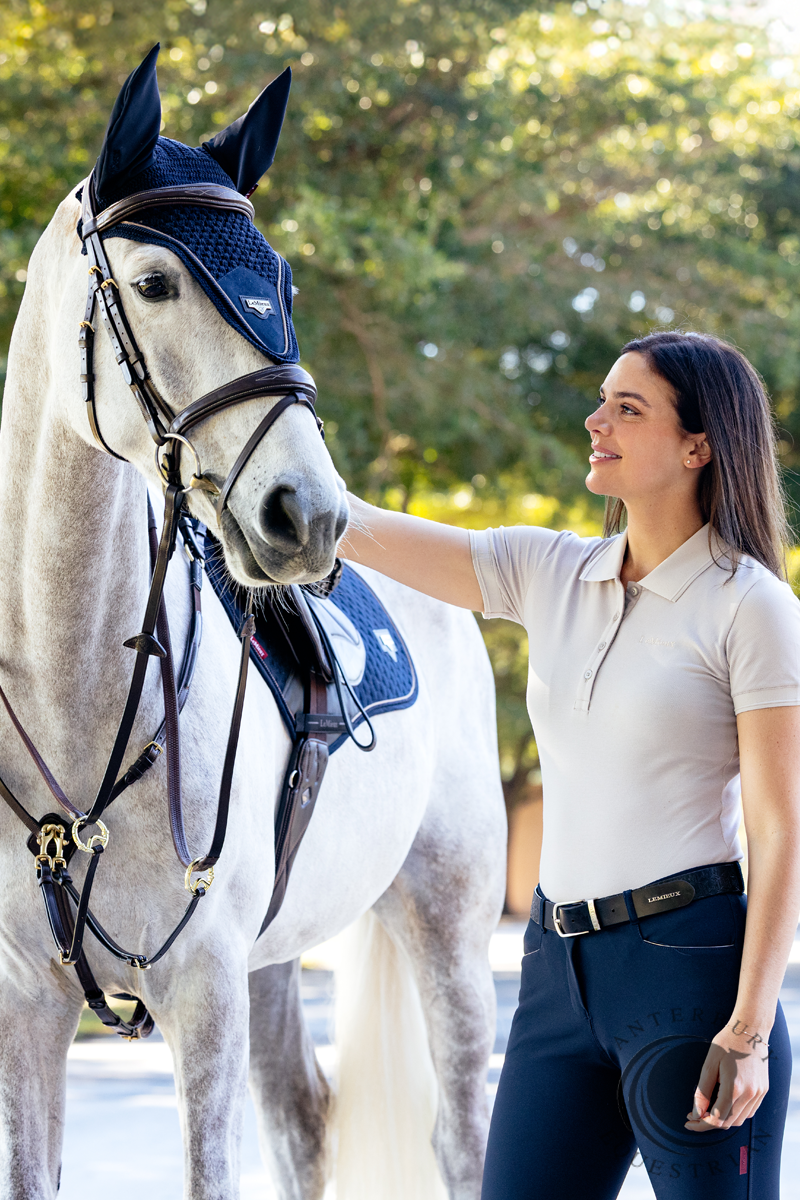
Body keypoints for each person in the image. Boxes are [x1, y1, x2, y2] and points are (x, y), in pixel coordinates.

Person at [338, 330, 800, 1199]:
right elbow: (357, 529)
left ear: (698, 447)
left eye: (629, 408)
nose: (597, 421)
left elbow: (781, 832)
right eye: (602, 400)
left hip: (688, 975)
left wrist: (747, 1028)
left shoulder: (752, 607)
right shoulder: (549, 570)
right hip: (556, 976)